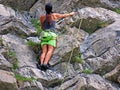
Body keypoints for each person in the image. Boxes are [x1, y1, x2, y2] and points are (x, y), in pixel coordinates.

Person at [37, 2, 76, 70]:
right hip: (52, 35)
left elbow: (42, 27)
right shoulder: (54, 15)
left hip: (44, 35)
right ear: (51, 9)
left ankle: (41, 63)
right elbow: (64, 15)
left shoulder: (42, 17)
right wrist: (71, 14)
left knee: (44, 51)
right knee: (50, 50)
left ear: (45, 9)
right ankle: (45, 64)